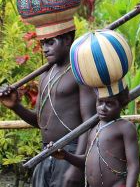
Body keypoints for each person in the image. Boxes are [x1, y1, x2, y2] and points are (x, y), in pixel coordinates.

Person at [0, 31, 97, 187]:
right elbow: (41, 122)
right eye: (43, 43)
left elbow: (89, 122)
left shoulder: (80, 72)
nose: (45, 49)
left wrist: (77, 166)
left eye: (51, 43)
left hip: (71, 154)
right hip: (46, 154)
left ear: (67, 40)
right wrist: (15, 106)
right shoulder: (45, 74)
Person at [51, 89, 140, 187]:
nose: (103, 108)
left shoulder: (125, 127)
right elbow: (85, 161)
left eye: (109, 104)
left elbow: (133, 166)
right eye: (100, 102)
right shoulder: (93, 128)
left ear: (122, 104)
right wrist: (66, 156)